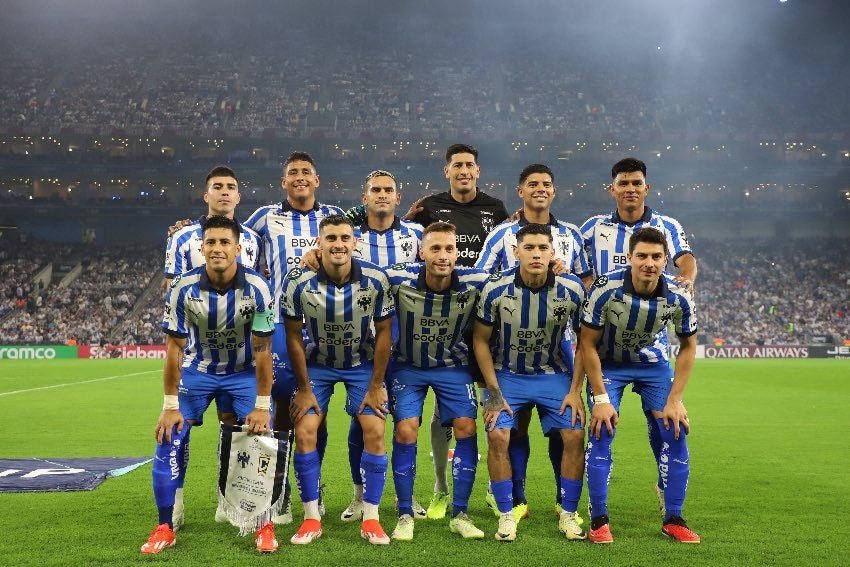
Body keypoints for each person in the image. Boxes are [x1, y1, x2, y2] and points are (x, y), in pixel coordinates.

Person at [140, 215, 278, 554]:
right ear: (202, 248)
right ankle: (164, 526)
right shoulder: (182, 288)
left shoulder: (259, 288)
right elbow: (173, 349)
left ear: (237, 248)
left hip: (245, 372)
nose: (217, 248)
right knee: (168, 435)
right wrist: (170, 407)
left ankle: (263, 525)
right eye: (211, 242)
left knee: (262, 437)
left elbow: (263, 349)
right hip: (198, 371)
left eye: (224, 242)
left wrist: (262, 405)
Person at [580, 157, 697, 517]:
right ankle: (595, 513)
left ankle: (669, 498)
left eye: (636, 183)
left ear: (646, 188)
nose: (630, 189)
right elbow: (568, 254)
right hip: (603, 346)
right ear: (612, 189)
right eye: (623, 183)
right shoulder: (592, 228)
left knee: (667, 426)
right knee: (600, 428)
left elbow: (687, 259)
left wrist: (688, 280)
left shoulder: (667, 225)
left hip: (652, 351)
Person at [476, 163, 592, 521]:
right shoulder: (501, 235)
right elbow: (481, 279)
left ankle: (564, 501)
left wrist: (565, 276)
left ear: (554, 191)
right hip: (508, 350)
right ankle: (516, 498)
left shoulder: (571, 235)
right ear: (521, 191)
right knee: (515, 425)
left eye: (546, 184)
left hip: (556, 349)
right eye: (533, 184)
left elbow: (586, 284)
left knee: (566, 430)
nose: (540, 189)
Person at [406, 143, 508, 519]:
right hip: (442, 315)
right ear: (446, 171)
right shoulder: (429, 207)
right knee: (442, 411)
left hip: (480, 315)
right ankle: (440, 487)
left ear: (477, 171)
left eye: (469, 165)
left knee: (490, 407)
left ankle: (492, 488)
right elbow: (410, 248)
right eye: (457, 165)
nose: (464, 170)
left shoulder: (495, 209)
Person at [243, 151, 344, 524]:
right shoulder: (266, 217)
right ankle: (281, 492)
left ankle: (311, 491)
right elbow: (233, 240)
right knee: (283, 409)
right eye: (292, 173)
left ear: (317, 180)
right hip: (281, 321)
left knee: (318, 411)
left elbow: (371, 226)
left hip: (324, 320)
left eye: (306, 172)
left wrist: (413, 217)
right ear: (283, 182)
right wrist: (190, 227)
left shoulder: (333, 214)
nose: (300, 177)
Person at [283, 214, 394, 546]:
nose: (338, 244)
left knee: (375, 428)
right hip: (318, 364)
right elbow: (291, 336)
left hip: (361, 363)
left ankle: (372, 518)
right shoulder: (297, 280)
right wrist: (303, 389)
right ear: (319, 243)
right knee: (304, 430)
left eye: (345, 238)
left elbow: (385, 333)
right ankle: (311, 518)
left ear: (354, 243)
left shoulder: (375, 279)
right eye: (330, 238)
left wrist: (376, 385)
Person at [384, 221, 490, 541]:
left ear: (457, 253)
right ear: (422, 252)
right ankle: (405, 514)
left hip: (452, 366)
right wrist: (314, 257)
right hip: (408, 365)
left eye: (449, 249)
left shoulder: (475, 282)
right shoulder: (397, 278)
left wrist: (558, 266)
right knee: (405, 429)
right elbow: (361, 272)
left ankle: (460, 513)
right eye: (435, 248)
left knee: (467, 427)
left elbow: (517, 277)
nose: (443, 256)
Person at [163, 166, 262, 489]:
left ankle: (228, 495)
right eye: (217, 186)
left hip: (241, 357)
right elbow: (171, 288)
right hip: (197, 352)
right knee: (179, 426)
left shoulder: (252, 238)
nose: (223, 191)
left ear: (238, 196)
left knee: (231, 424)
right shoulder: (181, 237)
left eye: (230, 186)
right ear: (206, 195)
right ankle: (174, 503)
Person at [339, 170, 427, 522]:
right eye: (374, 189)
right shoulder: (351, 237)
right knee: (364, 421)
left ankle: (407, 495)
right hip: (362, 345)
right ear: (364, 198)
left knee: (408, 421)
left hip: (405, 343)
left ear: (398, 198)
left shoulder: (417, 234)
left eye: (388, 190)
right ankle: (360, 494)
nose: (381, 194)